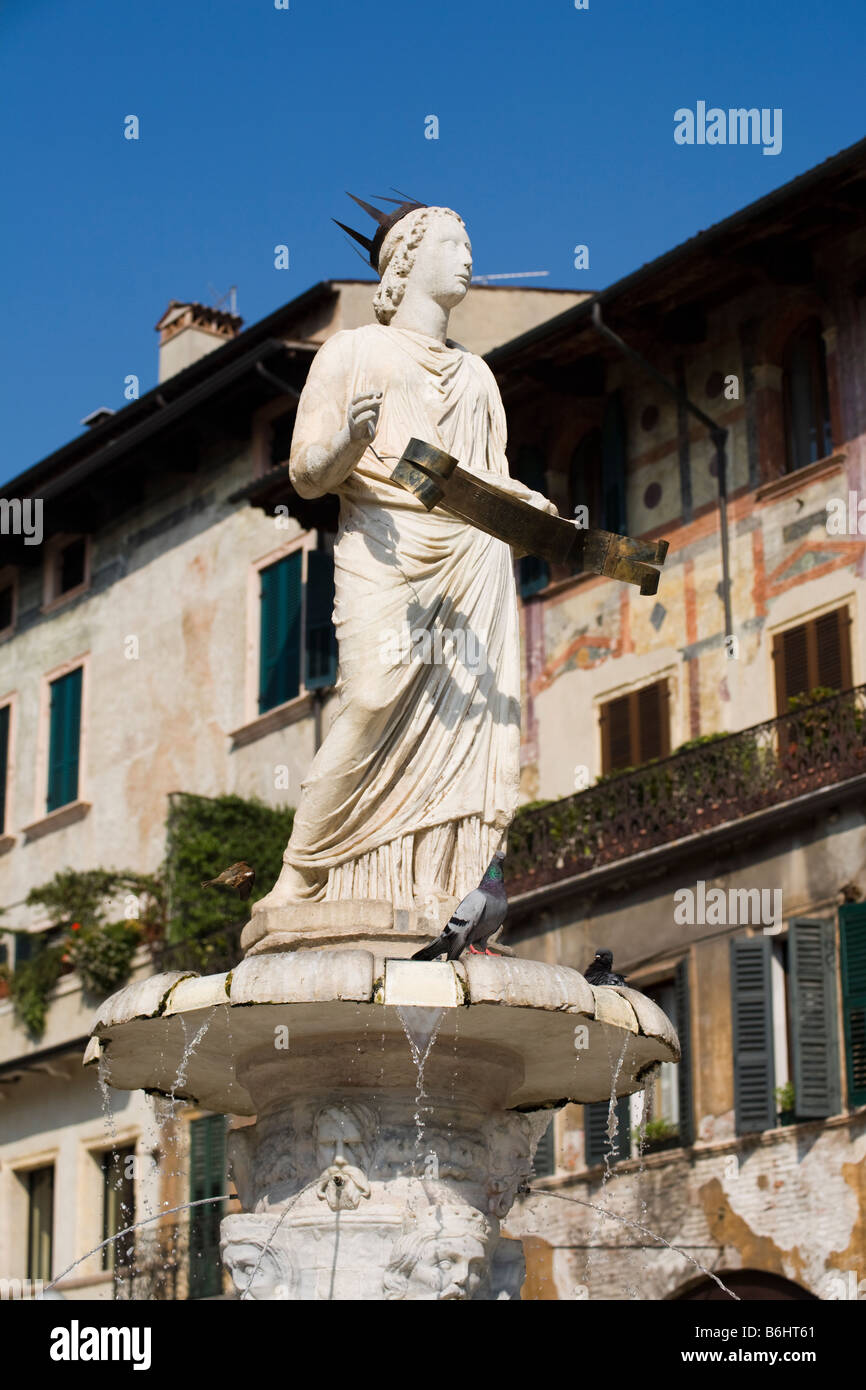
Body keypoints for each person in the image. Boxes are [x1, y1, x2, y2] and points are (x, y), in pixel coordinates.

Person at [254, 203, 556, 916]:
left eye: (468, 241)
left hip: (470, 556)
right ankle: (302, 873)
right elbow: (305, 474)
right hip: (386, 549)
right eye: (453, 241)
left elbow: (484, 477)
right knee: (367, 698)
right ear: (405, 260)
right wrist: (349, 444)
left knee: (469, 723)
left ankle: (440, 885)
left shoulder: (478, 376)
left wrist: (531, 508)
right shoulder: (352, 352)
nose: (467, 254)